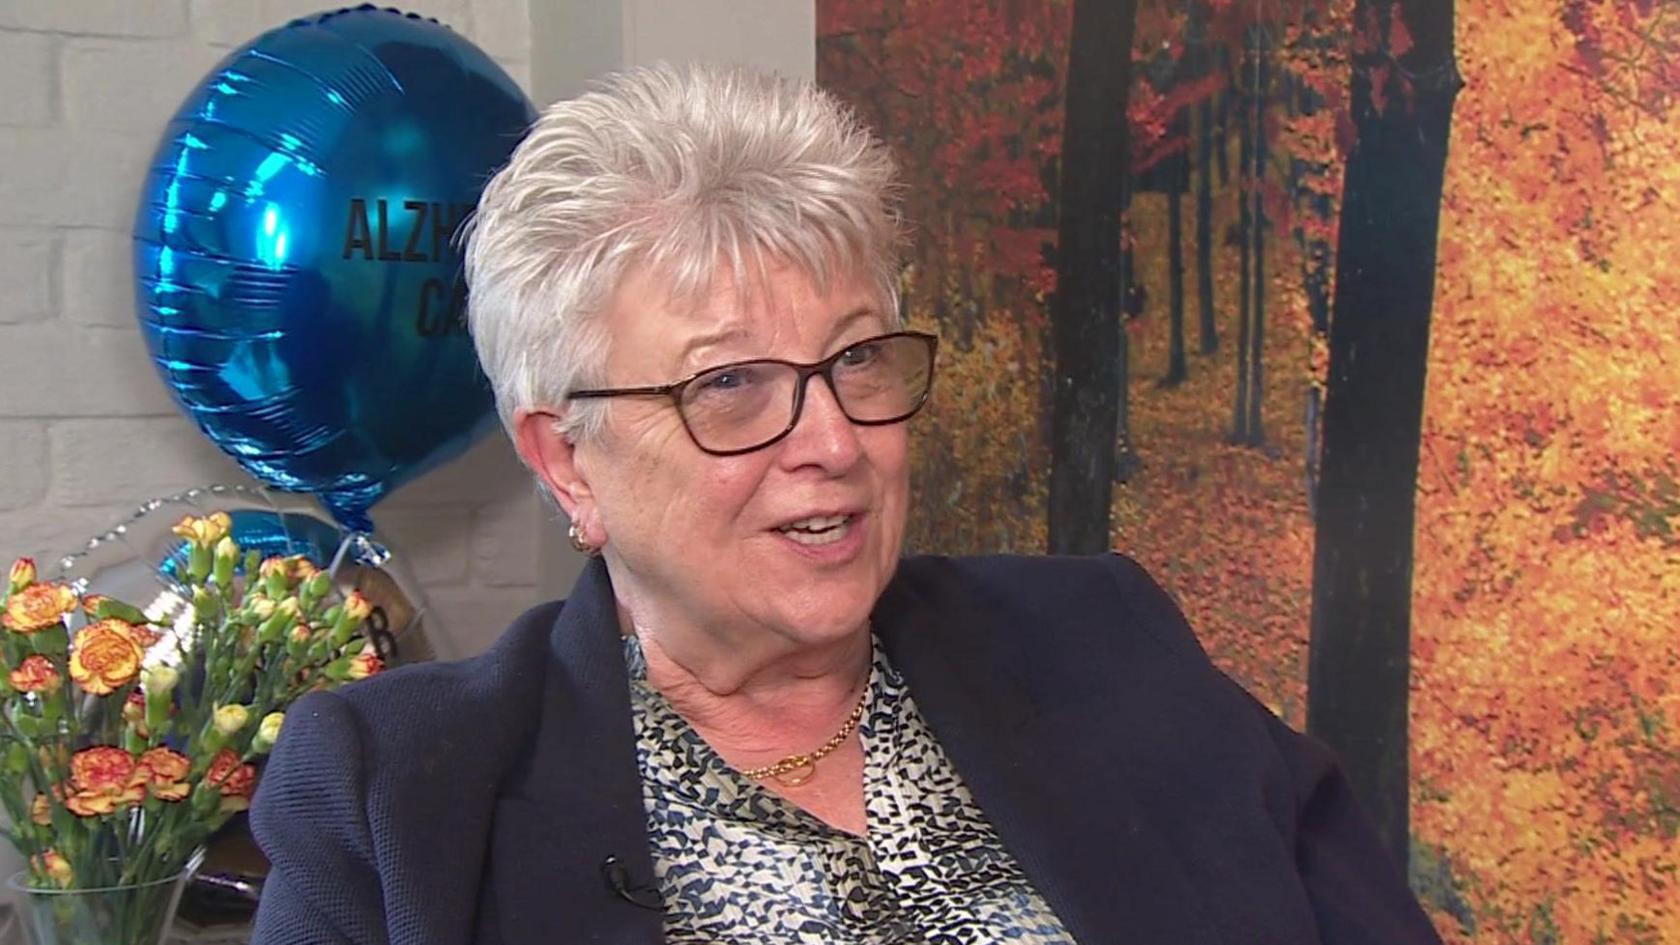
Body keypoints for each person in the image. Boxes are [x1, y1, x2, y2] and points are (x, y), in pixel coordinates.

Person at [249, 64, 1442, 945]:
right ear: (567, 460)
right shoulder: (397, 794)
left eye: (858, 360)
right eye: (729, 385)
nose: (834, 440)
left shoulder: (1103, 637)